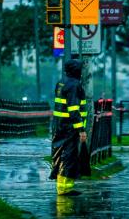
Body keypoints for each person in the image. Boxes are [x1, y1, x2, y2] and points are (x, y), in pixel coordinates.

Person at [50, 59, 88, 196]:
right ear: (76, 70)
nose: (82, 72)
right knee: (68, 156)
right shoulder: (74, 85)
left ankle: (66, 187)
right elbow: (73, 110)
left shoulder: (61, 82)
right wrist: (81, 130)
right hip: (69, 127)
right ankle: (64, 189)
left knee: (63, 155)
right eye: (80, 69)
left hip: (60, 125)